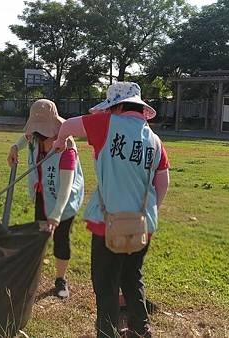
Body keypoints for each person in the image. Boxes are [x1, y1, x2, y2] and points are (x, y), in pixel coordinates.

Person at [53, 82, 170, 338]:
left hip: (107, 223)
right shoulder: (154, 139)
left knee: (106, 285)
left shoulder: (106, 123)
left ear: (115, 107)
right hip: (142, 224)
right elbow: (163, 181)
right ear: (140, 108)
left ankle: (107, 333)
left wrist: (61, 141)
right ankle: (141, 330)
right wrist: (149, 211)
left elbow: (67, 126)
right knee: (132, 278)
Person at [7, 99, 85, 299]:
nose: (41, 140)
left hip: (64, 200)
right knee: (39, 233)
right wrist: (15, 147)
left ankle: (60, 279)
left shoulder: (67, 147)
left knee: (61, 238)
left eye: (45, 135)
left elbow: (66, 187)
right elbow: (25, 138)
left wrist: (56, 216)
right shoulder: (35, 136)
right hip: (42, 193)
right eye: (37, 135)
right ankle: (32, 274)